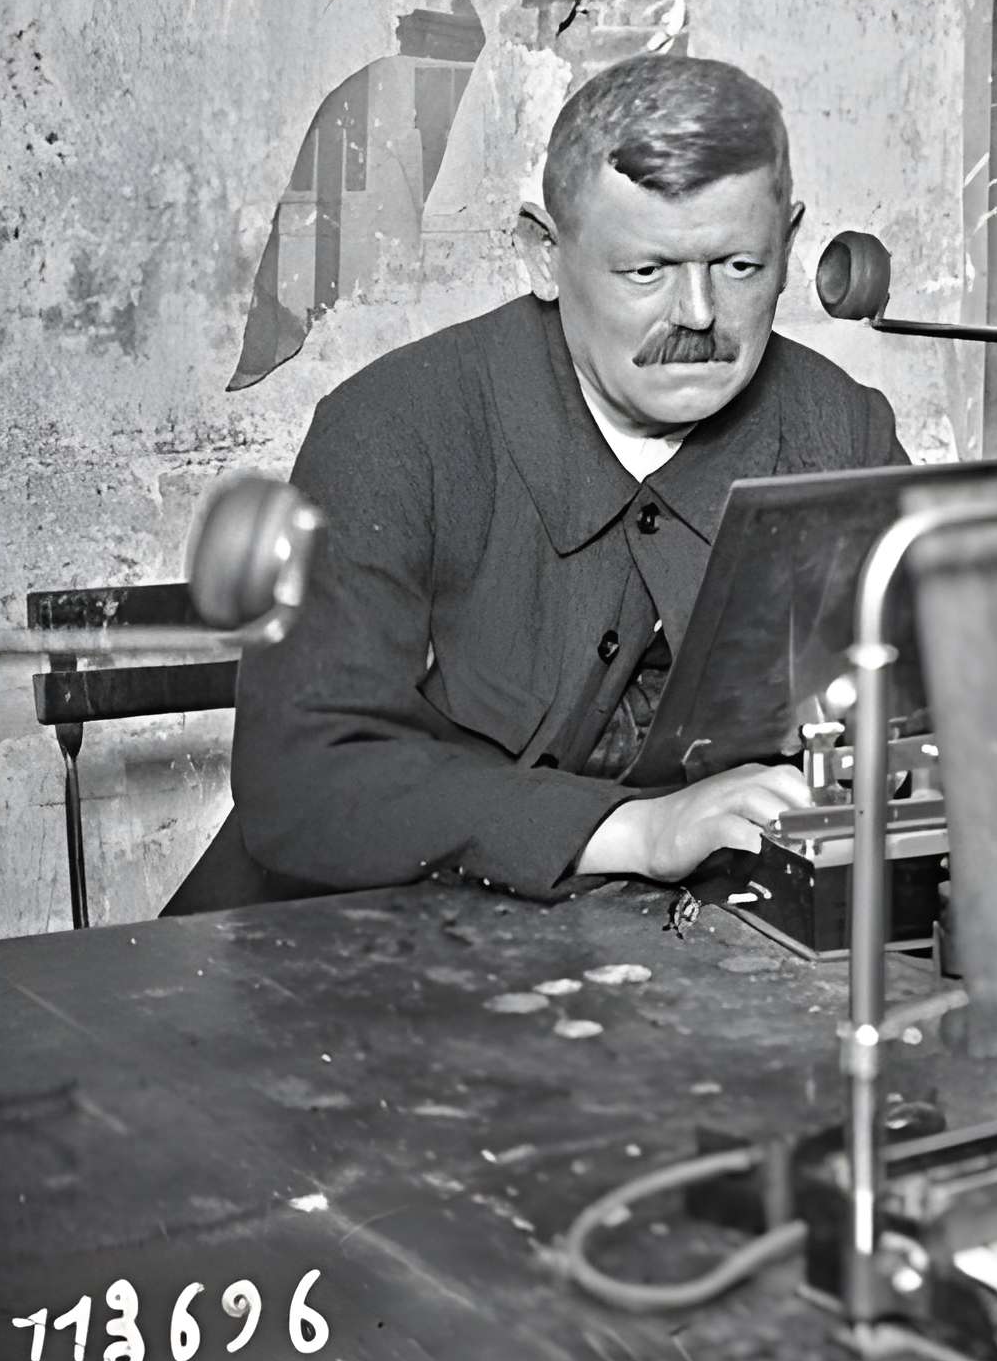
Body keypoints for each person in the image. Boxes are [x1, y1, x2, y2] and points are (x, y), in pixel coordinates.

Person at [165, 55, 904, 912]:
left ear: (790, 241)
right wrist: (639, 831)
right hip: (337, 946)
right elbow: (304, 778)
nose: (699, 315)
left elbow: (932, 717)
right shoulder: (393, 429)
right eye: (648, 271)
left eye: (740, 266)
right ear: (544, 255)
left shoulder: (841, 428)